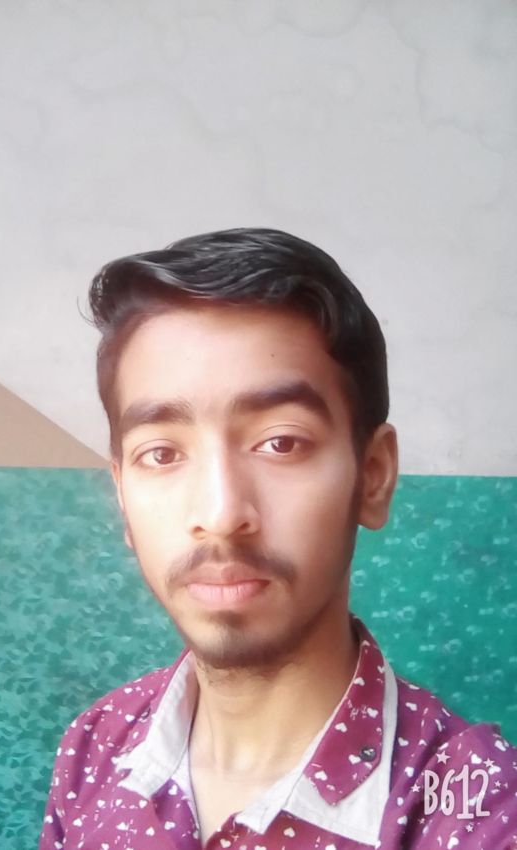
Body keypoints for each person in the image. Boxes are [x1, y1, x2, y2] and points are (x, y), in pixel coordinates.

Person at [39, 229, 516, 850]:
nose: (220, 514)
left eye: (280, 443)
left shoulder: (479, 812)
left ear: (373, 475)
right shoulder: (93, 746)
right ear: (123, 497)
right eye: (161, 453)